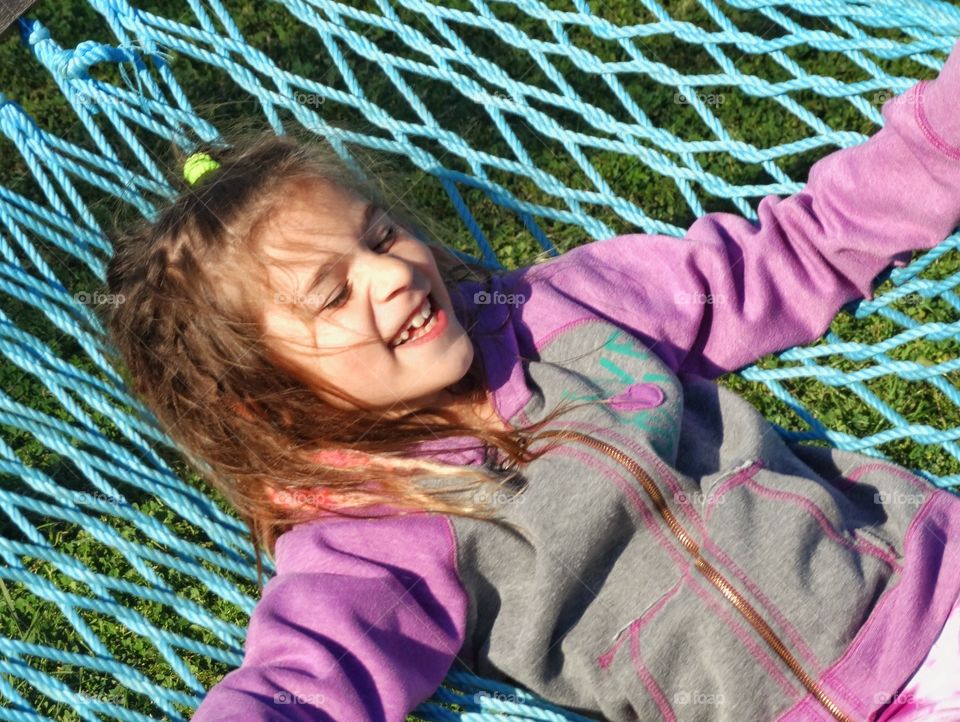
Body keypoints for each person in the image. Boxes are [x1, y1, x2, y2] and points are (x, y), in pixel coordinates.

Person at [102, 38, 960, 722]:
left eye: (379, 236)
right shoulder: (369, 537)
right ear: (268, 396)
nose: (393, 275)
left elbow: (794, 251)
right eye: (334, 294)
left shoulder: (564, 311)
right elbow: (307, 681)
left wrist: (936, 144)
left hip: (928, 589)